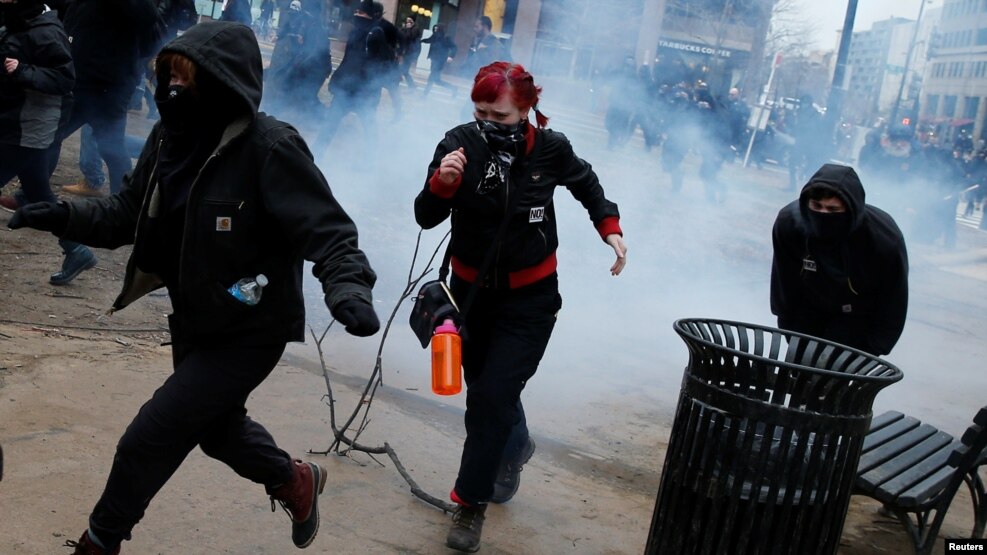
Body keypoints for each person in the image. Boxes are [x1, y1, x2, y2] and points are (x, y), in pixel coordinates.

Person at [8, 21, 380, 554]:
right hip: (194, 319)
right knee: (217, 432)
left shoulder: (270, 148)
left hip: (251, 328)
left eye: (188, 81)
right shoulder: (170, 139)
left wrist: (348, 289)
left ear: (225, 84)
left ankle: (99, 541)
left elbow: (331, 234)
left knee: (150, 436)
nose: (174, 92)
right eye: (169, 79)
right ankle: (294, 480)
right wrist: (61, 215)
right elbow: (124, 215)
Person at [414, 61, 627, 553]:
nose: (489, 122)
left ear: (527, 110)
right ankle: (517, 445)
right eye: (481, 111)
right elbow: (426, 217)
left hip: (530, 300)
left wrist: (610, 230)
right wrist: (442, 184)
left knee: (489, 401)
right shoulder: (458, 142)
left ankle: (470, 504)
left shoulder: (550, 148)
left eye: (502, 116)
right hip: (469, 299)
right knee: (489, 392)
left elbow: (586, 183)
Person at [0, 0, 99, 285]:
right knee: (40, 195)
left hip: (27, 127)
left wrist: (22, 71)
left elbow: (64, 79)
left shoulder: (46, 32)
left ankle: (77, 249)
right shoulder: (18, 23)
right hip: (15, 122)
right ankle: (76, 249)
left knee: (39, 194)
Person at [771, 163, 908, 356]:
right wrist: (786, 322)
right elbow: (783, 279)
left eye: (833, 210)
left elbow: (894, 298)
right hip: (808, 307)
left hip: (857, 315)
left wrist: (876, 347)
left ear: (851, 209)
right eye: (817, 206)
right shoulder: (789, 224)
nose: (823, 214)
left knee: (834, 374)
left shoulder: (884, 239)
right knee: (800, 371)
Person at [52, 0, 160, 196]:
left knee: (111, 147)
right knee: (51, 137)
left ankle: (124, 199)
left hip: (108, 88)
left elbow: (149, 24)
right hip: (79, 81)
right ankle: (31, 195)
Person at [311, 0, 386, 155]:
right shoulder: (355, 32)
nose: (356, 15)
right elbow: (347, 60)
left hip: (364, 93)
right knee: (330, 124)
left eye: (361, 13)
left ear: (371, 16)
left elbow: (381, 65)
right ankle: (316, 155)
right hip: (345, 90)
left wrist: (372, 90)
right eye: (356, 12)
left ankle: (371, 161)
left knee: (369, 127)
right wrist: (336, 80)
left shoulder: (376, 33)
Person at [421, 23, 456, 98]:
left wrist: (451, 56)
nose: (435, 30)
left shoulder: (446, 38)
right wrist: (421, 41)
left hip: (440, 61)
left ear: (440, 29)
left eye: (437, 29)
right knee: (437, 81)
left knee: (431, 78)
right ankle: (454, 89)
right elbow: (428, 40)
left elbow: (454, 47)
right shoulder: (435, 36)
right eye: (435, 29)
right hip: (434, 60)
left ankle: (424, 95)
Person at [397, 14, 422, 90]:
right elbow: (400, 34)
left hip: (410, 53)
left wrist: (408, 29)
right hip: (405, 52)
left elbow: (409, 37)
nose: (408, 22)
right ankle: (412, 86)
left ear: (413, 21)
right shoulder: (406, 28)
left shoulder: (415, 29)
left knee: (402, 70)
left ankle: (395, 86)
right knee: (404, 71)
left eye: (410, 21)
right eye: (407, 20)